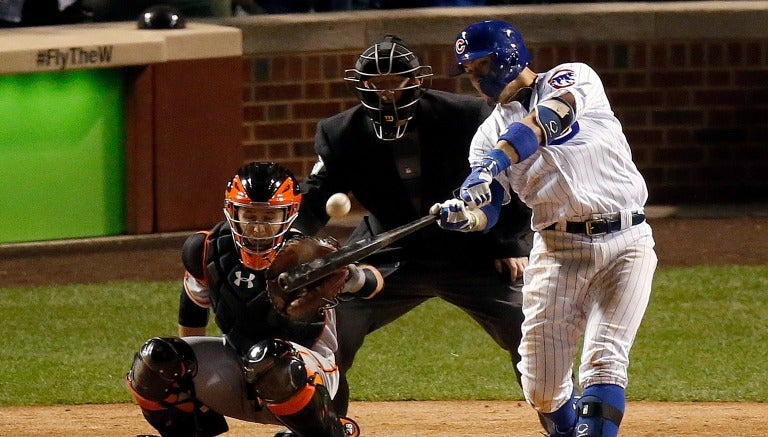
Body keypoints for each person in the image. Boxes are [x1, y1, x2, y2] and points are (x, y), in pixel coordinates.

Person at [289, 34, 533, 432]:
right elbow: (314, 199)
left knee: (529, 328)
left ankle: (562, 422)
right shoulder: (340, 133)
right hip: (386, 254)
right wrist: (292, 243)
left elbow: (514, 179)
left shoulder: (469, 115)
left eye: (395, 81)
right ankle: (325, 427)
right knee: (326, 332)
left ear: (416, 80)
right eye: (376, 84)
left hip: (472, 250)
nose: (386, 92)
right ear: (360, 85)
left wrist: (511, 243)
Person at [433, 20, 658, 437]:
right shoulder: (485, 138)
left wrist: (491, 166)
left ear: (508, 57)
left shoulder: (571, 77)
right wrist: (468, 216)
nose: (476, 78)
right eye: (469, 70)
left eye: (481, 65)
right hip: (557, 251)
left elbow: (547, 121)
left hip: (627, 242)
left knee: (604, 359)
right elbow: (492, 209)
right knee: (541, 389)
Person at [126, 162, 382, 437]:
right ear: (233, 211)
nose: (258, 228)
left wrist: (353, 276)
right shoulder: (206, 249)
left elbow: (374, 282)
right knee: (156, 359)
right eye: (250, 215)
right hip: (238, 365)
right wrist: (187, 379)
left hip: (308, 379)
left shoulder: (308, 258)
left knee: (270, 360)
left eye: (268, 217)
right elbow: (191, 316)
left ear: (289, 214)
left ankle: (331, 432)